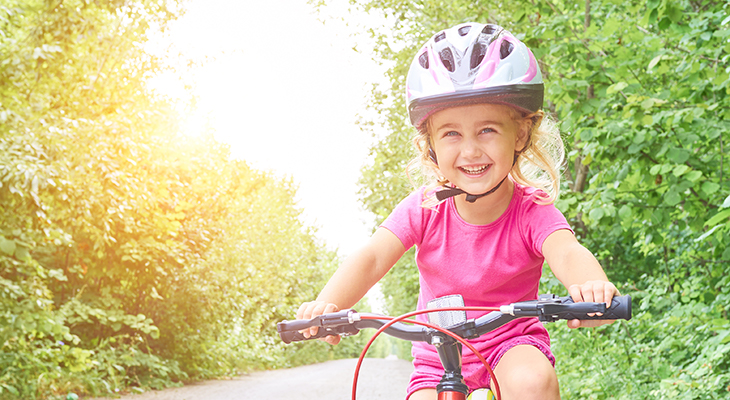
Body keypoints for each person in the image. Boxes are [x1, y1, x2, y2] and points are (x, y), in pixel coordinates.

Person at [297, 22, 619, 400]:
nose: (470, 151)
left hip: (510, 344)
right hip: (437, 353)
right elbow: (370, 258)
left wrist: (591, 287)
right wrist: (330, 304)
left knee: (531, 382)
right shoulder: (424, 208)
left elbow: (566, 251)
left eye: (487, 130)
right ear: (429, 143)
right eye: (451, 133)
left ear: (519, 134)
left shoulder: (531, 209)